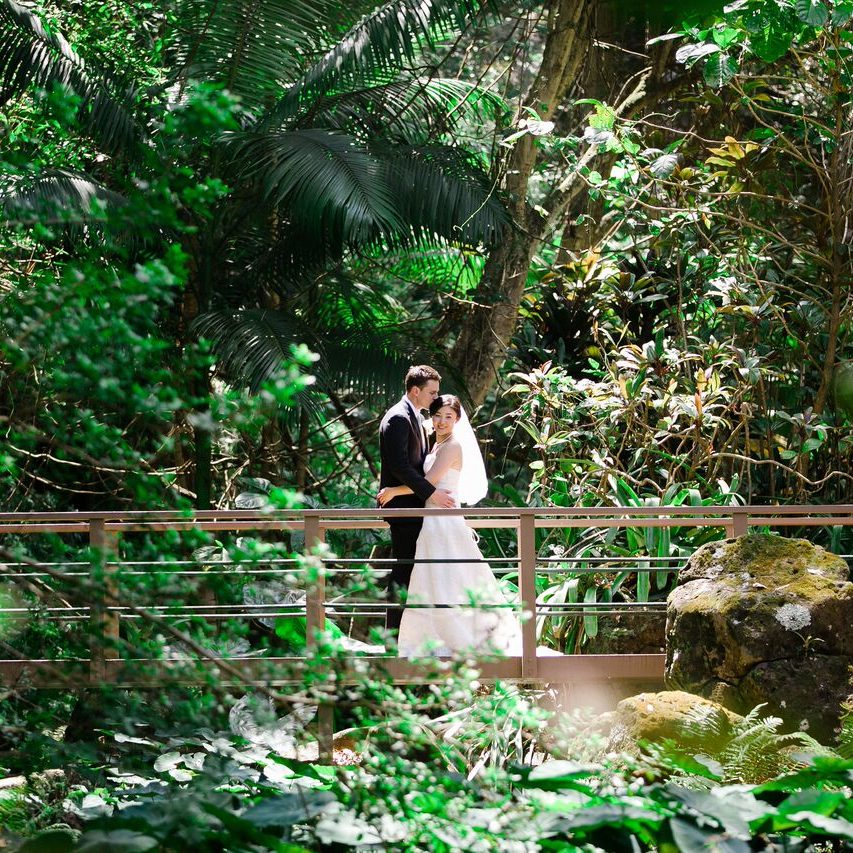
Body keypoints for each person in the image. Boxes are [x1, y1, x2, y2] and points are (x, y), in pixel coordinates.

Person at [378, 394, 523, 657]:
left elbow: (430, 482)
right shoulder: (435, 445)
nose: (442, 421)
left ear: (457, 420)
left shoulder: (452, 446)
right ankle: (430, 637)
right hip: (431, 520)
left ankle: (464, 637)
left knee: (451, 576)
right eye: (437, 416)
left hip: (443, 520)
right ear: (431, 417)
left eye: (448, 417)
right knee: (433, 578)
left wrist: (392, 492)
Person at [378, 366, 455, 634]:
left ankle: (409, 636)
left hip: (415, 509)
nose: (436, 397)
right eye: (432, 392)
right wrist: (431, 493)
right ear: (415, 391)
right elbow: (400, 466)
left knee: (412, 573)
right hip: (404, 511)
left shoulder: (415, 417)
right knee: (403, 573)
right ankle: (393, 639)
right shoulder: (398, 418)